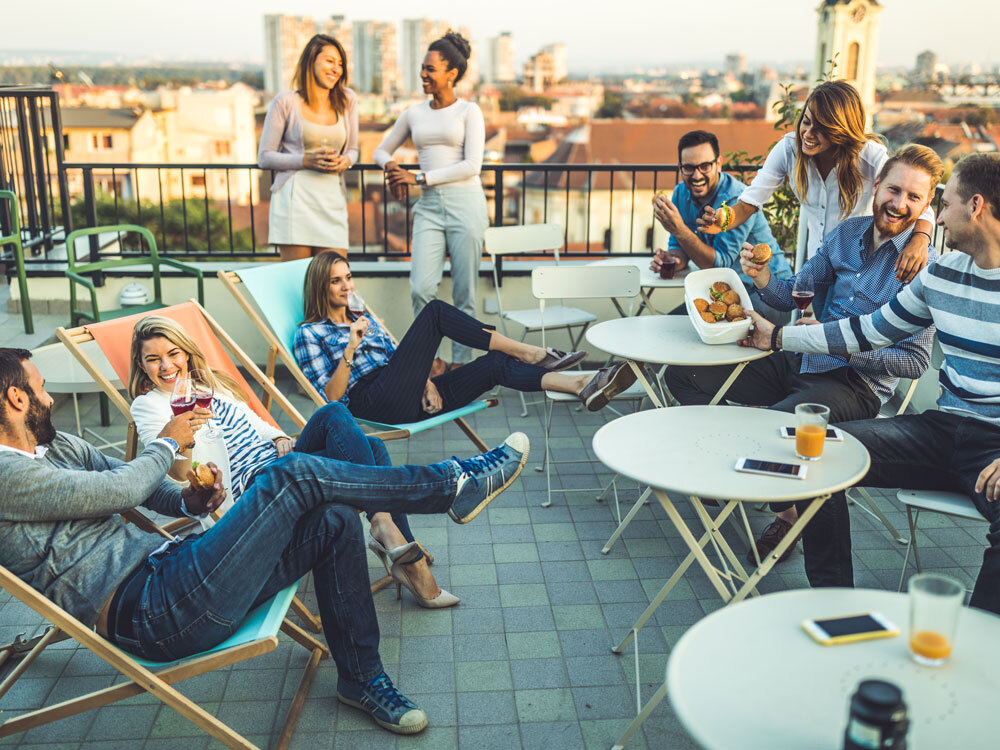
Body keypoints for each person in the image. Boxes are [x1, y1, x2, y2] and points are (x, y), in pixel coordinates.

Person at [0, 346, 530, 734]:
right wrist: (167, 442)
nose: (51, 397)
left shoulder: (57, 445)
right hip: (151, 615)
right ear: (17, 397)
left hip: (176, 570)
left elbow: (140, 489)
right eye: (43, 388)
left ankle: (362, 679)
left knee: (336, 519)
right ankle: (451, 483)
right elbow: (120, 486)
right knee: (296, 474)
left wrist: (187, 502)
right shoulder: (6, 476)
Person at [739, 152, 1000, 615]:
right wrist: (780, 336)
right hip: (942, 429)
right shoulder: (940, 276)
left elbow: (909, 358)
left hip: (994, 446)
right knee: (817, 448)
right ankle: (836, 602)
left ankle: (984, 645)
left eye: (943, 202)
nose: (934, 216)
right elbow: (865, 331)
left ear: (975, 206)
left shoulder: (926, 260)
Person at [666, 144, 943, 562]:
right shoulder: (847, 235)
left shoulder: (923, 265)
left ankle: (784, 507)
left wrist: (843, 347)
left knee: (772, 428)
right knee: (682, 374)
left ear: (926, 206)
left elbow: (916, 362)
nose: (899, 203)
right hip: (801, 356)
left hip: (855, 385)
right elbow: (795, 292)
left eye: (913, 197)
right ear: (878, 186)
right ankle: (762, 488)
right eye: (893, 189)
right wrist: (760, 278)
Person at [127, 316, 455, 609]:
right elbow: (176, 471)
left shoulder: (208, 386)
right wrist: (182, 433)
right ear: (141, 366)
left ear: (186, 353)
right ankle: (395, 540)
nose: (166, 365)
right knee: (352, 430)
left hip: (281, 461)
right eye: (153, 359)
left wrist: (278, 438)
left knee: (359, 436)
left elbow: (259, 426)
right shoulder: (149, 406)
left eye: (172, 354)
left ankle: (393, 537)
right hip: (255, 489)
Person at [293, 252, 636, 423]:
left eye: (348, 277)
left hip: (409, 396)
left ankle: (581, 386)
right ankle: (530, 352)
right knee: (436, 313)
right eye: (336, 281)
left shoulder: (362, 315)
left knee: (495, 365)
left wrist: (425, 381)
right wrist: (351, 347)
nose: (347, 286)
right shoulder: (309, 333)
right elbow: (330, 398)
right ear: (320, 286)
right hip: (370, 401)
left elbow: (399, 357)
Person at [697, 81, 935, 286]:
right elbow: (750, 202)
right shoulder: (789, 149)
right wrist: (722, 220)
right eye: (806, 122)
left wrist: (920, 239)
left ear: (841, 130)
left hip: (860, 265)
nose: (808, 134)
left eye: (821, 128)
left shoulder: (869, 156)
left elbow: (919, 201)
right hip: (818, 262)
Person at [373, 31, 486, 370]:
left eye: (431, 69)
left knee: (465, 296)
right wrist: (392, 166)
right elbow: (381, 149)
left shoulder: (470, 111)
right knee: (421, 288)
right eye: (422, 68)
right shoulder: (413, 114)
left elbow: (472, 166)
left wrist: (417, 177)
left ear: (452, 73)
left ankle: (463, 367)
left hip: (466, 204)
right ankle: (430, 364)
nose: (423, 74)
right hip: (430, 209)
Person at [650, 130, 794, 324]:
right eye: (689, 168)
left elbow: (719, 264)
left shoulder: (736, 200)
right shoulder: (680, 193)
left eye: (704, 166)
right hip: (726, 294)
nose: (697, 175)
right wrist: (673, 261)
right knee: (668, 325)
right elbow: (678, 246)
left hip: (770, 294)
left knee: (699, 328)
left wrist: (679, 229)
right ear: (680, 168)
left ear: (718, 164)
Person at [259, 34, 359, 261]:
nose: (337, 69)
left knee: (332, 282)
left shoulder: (347, 99)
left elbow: (353, 149)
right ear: (311, 61)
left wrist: (346, 161)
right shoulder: (285, 102)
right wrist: (306, 161)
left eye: (340, 64)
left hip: (332, 198)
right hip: (295, 201)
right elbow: (264, 157)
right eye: (330, 61)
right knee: (297, 283)